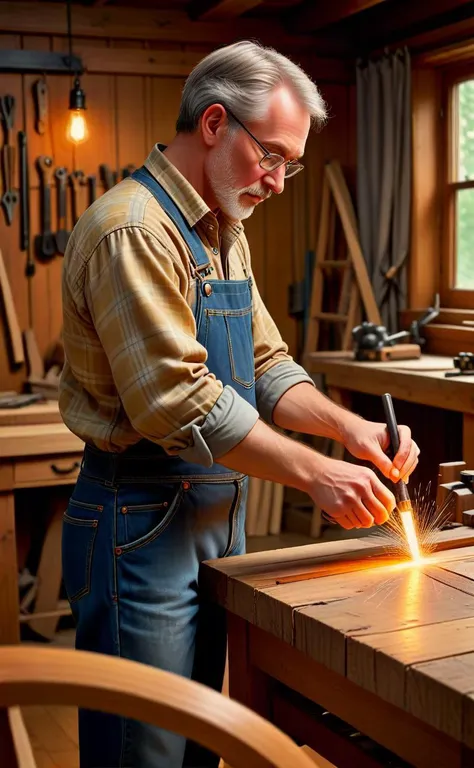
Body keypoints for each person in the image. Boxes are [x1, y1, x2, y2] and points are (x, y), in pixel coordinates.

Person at [59, 39, 419, 768]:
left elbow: (266, 365)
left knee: (200, 743)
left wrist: (350, 431)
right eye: (274, 158)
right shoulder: (133, 229)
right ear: (216, 124)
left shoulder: (225, 233)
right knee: (145, 751)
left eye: (291, 164)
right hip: (140, 517)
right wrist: (315, 475)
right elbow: (177, 402)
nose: (280, 182)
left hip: (213, 514)